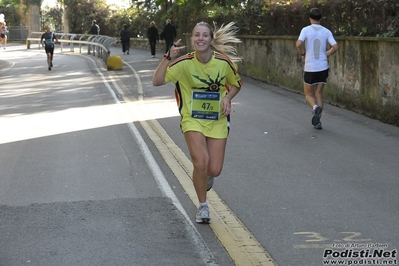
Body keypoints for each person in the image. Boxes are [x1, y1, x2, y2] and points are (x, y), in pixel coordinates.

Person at [152, 22, 243, 224]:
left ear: (211, 40)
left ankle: (206, 177)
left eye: (204, 35)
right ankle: (203, 206)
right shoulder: (183, 63)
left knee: (214, 169)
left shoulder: (223, 63)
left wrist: (227, 98)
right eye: (196, 35)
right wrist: (168, 57)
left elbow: (236, 84)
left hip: (217, 119)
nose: (200, 38)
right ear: (192, 39)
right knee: (200, 162)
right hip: (192, 119)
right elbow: (156, 81)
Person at [296, 7, 339, 130]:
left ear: (310, 18)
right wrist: (327, 53)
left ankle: (315, 108)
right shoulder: (326, 31)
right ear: (320, 18)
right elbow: (336, 47)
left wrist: (303, 54)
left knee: (309, 94)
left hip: (310, 67)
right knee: (319, 93)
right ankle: (318, 122)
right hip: (323, 67)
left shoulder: (306, 30)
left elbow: (298, 44)